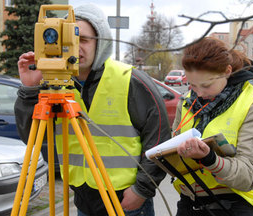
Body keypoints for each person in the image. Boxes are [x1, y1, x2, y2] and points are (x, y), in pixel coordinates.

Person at [14, 3, 171, 216]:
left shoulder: (129, 80)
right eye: (69, 40)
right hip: (84, 202)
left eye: (84, 40)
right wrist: (30, 89)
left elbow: (159, 139)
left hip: (126, 203)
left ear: (101, 42)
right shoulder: (54, 86)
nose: (76, 48)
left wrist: (142, 190)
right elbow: (31, 138)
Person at [171, 37, 253, 216]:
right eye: (192, 84)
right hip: (189, 204)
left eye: (206, 85)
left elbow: (251, 175)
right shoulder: (187, 100)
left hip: (234, 206)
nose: (199, 93)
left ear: (227, 71)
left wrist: (210, 159)